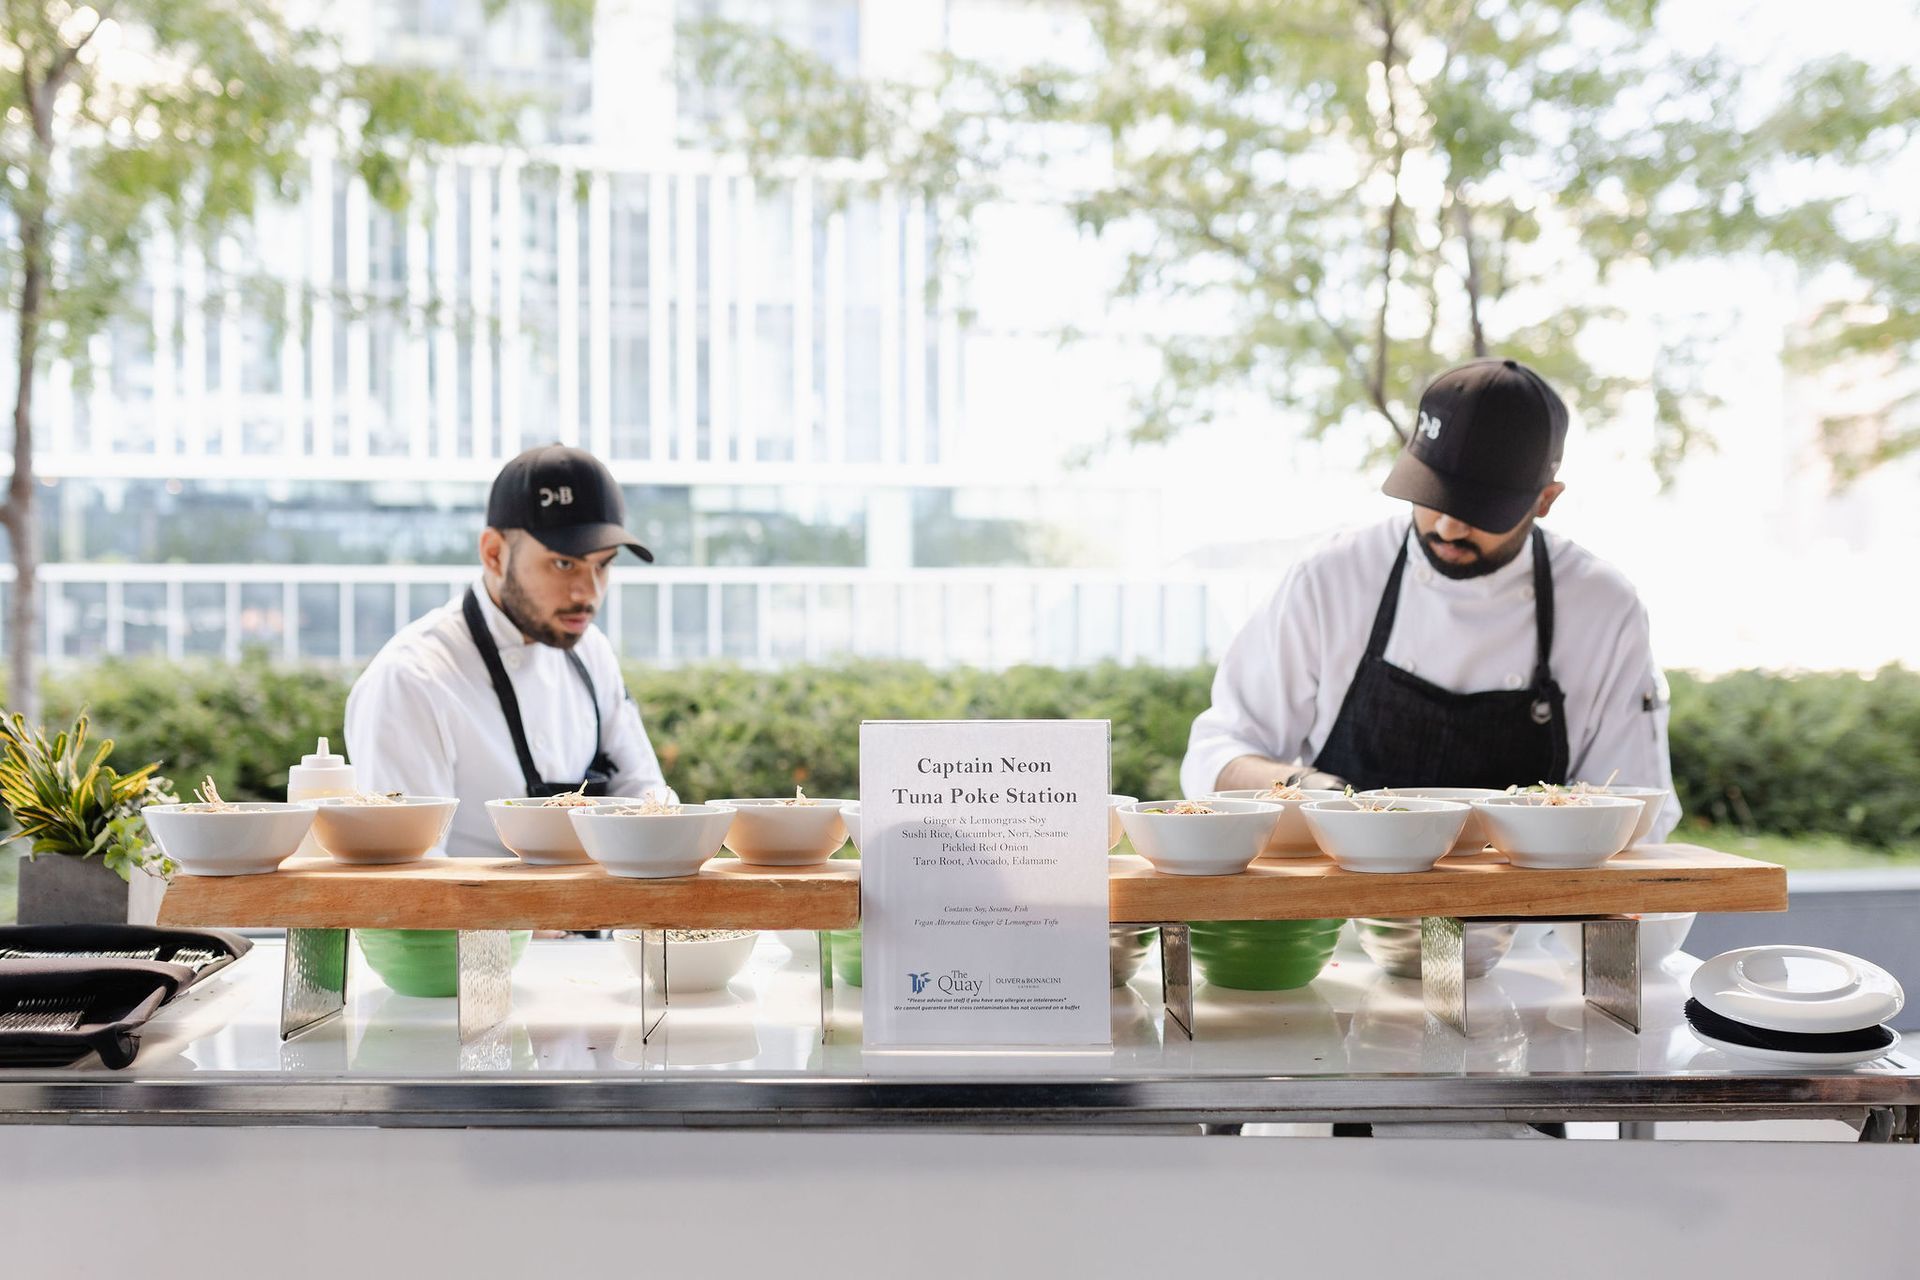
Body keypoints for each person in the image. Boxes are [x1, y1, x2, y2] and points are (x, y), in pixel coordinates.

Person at [1181, 357, 1681, 837]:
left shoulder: (1603, 608)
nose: (1447, 525)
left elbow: (1638, 812)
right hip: (1346, 912)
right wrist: (1307, 790)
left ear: (1545, 500)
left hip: (1529, 918)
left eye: (1480, 509)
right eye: (1433, 494)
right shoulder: (1332, 577)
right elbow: (1219, 752)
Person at [345, 444, 669, 857]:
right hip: (483, 922)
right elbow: (411, 882)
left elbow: (647, 801)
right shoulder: (412, 679)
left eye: (603, 564)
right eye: (564, 564)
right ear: (494, 554)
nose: (588, 592)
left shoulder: (592, 653)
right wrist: (525, 927)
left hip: (597, 918)